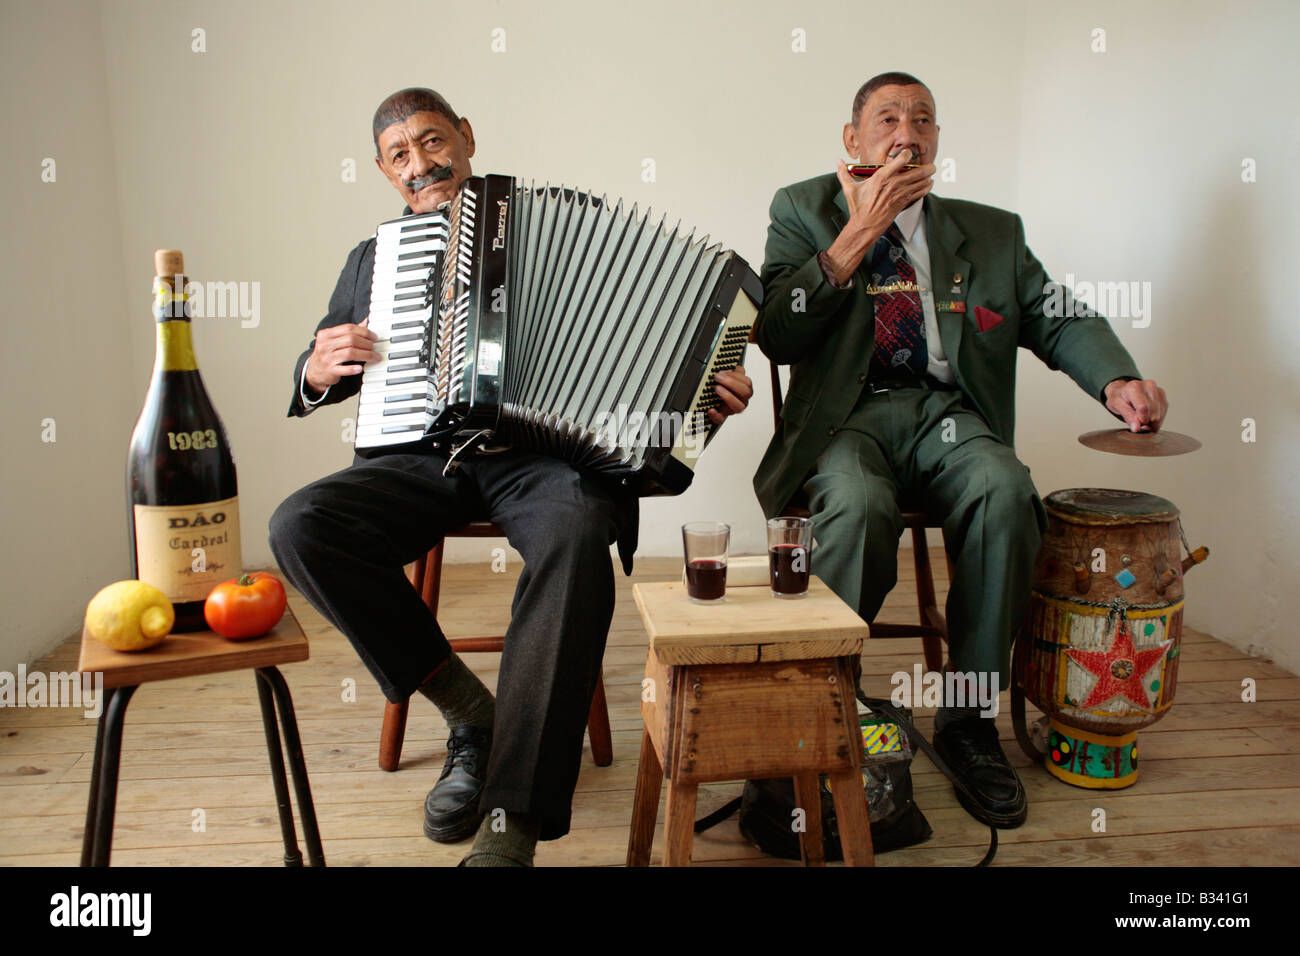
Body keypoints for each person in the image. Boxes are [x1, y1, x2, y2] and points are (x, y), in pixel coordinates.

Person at [270, 87, 753, 866]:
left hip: (542, 459)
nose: (421, 164)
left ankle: (511, 828)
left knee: (575, 527)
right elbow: (324, 361)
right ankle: (471, 713)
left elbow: (648, 378)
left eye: (432, 141)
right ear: (385, 172)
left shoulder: (545, 226)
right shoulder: (376, 260)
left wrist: (701, 404)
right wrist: (317, 369)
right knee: (299, 525)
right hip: (419, 457)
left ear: (465, 136)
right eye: (401, 155)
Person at [751, 72, 1168, 829]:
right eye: (886, 119)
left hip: (948, 414)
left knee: (1005, 490)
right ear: (853, 141)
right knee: (855, 499)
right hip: (848, 417)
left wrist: (1116, 378)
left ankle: (968, 722)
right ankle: (826, 694)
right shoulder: (802, 209)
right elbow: (777, 333)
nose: (906, 131)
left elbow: (1054, 313)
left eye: (923, 119)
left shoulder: (991, 230)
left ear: (937, 140)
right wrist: (856, 236)